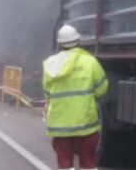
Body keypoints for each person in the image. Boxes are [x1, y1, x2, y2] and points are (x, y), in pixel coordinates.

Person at [42, 25, 108, 170]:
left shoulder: (49, 64)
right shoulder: (90, 62)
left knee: (64, 165)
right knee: (88, 165)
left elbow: (48, 92)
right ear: (78, 41)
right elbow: (102, 89)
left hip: (60, 125)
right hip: (86, 124)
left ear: (59, 43)